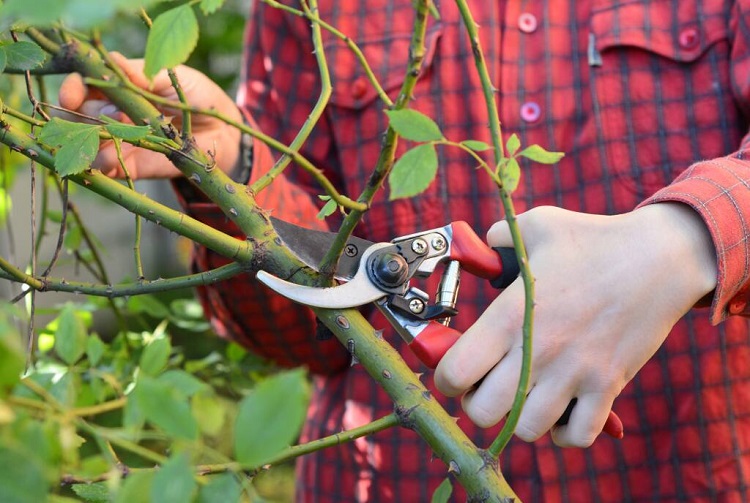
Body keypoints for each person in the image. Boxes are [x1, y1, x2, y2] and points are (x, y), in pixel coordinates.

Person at [60, 1, 750, 501]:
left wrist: (681, 240)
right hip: (383, 478)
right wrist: (231, 168)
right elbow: (298, 333)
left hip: (689, 468)